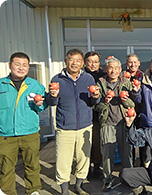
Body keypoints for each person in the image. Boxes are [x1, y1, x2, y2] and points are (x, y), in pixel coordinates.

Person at [0, 52, 58, 195]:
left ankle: (33, 191)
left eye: (24, 65)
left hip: (30, 133)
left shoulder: (35, 85)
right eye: (17, 64)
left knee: (32, 165)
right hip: (6, 135)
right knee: (5, 167)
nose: (21, 68)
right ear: (10, 65)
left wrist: (39, 103)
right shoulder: (1, 85)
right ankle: (7, 192)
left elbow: (42, 106)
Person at [50, 49, 100, 195]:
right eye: (71, 60)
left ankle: (79, 185)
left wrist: (95, 96)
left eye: (78, 60)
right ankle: (64, 189)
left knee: (83, 158)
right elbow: (52, 102)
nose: (75, 63)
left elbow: (93, 102)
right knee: (63, 160)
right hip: (65, 127)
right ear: (66, 61)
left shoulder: (88, 79)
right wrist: (53, 96)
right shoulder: (57, 79)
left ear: (82, 63)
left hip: (85, 126)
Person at [94, 56, 135, 192]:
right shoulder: (100, 83)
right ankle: (108, 179)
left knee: (126, 152)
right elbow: (96, 106)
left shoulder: (126, 83)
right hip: (108, 123)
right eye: (110, 67)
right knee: (107, 154)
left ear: (120, 70)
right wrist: (105, 101)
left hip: (124, 123)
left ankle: (128, 178)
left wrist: (125, 100)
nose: (113, 71)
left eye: (116, 68)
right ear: (106, 69)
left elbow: (133, 104)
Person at [84, 51, 106, 179]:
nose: (93, 64)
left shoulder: (103, 75)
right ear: (85, 63)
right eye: (90, 61)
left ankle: (97, 167)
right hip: (84, 114)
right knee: (85, 144)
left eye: (96, 61)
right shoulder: (81, 76)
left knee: (97, 143)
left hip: (98, 115)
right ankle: (85, 169)